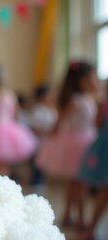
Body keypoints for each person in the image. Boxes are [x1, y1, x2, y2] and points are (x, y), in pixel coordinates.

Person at [37, 61, 98, 230]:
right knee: (79, 185)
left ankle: (69, 216)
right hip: (77, 146)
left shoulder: (89, 98)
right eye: (93, 78)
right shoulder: (76, 100)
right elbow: (59, 123)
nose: (96, 81)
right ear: (82, 80)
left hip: (87, 142)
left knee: (77, 185)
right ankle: (78, 218)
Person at [78, 80, 108, 240]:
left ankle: (91, 229)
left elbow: (97, 124)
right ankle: (91, 229)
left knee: (104, 191)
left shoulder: (104, 103)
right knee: (104, 190)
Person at [29, 84, 57, 193]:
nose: (51, 97)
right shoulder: (37, 109)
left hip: (48, 141)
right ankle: (36, 181)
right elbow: (34, 126)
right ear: (41, 96)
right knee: (38, 162)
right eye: (49, 95)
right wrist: (46, 131)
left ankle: (40, 181)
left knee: (44, 162)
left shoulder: (51, 110)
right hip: (39, 141)